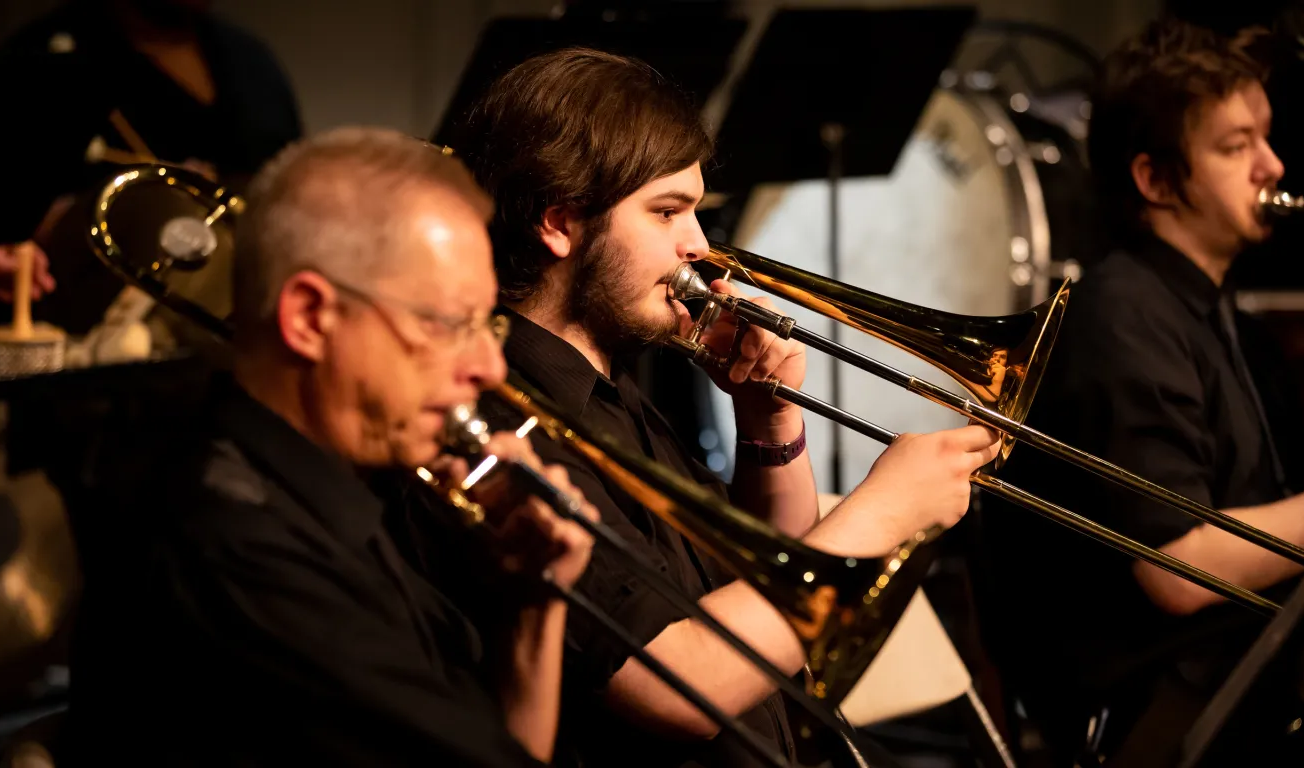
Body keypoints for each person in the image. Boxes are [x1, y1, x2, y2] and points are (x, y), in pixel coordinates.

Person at [426, 47, 1003, 768]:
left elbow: (766, 592)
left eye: (696, 211)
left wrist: (770, 425)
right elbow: (683, 685)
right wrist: (882, 512)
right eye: (667, 211)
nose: (698, 245)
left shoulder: (616, 388)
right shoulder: (508, 421)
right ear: (561, 224)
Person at [65, 128, 597, 767]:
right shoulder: (241, 549)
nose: (488, 368)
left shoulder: (327, 490)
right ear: (311, 318)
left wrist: (536, 609)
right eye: (450, 324)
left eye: (489, 325)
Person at [979, 16, 1304, 765]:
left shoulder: (1220, 314)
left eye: (1264, 138)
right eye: (1236, 147)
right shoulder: (1123, 316)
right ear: (1156, 180)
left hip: (1240, 686)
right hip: (1163, 721)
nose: (1272, 164)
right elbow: (1178, 570)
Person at [0, 0, 302, 330]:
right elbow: (0, 217)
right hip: (95, 343)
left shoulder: (250, 62)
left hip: (251, 328)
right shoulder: (44, 54)